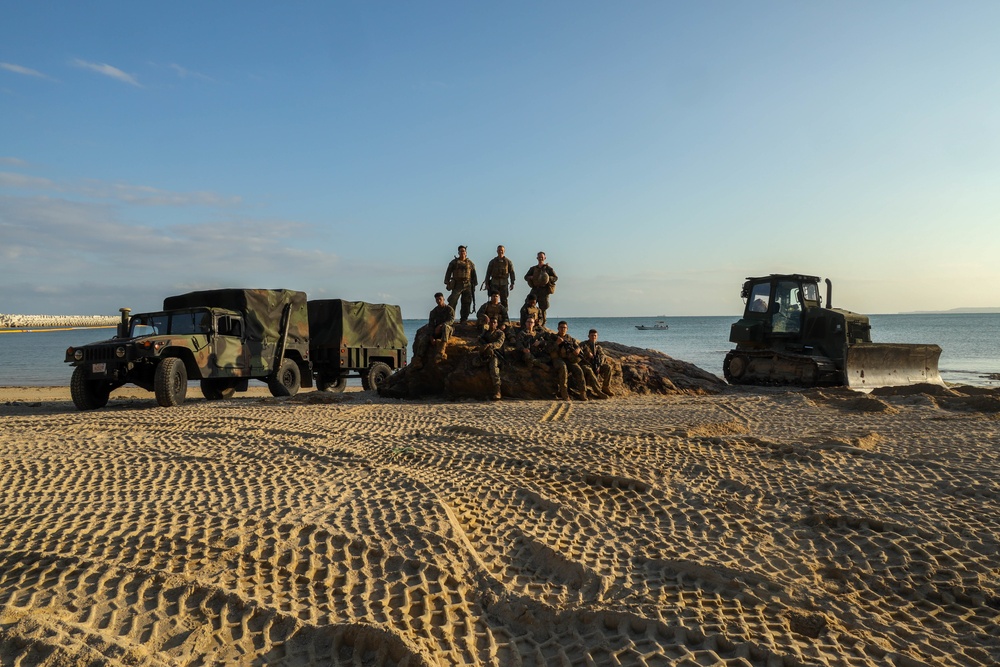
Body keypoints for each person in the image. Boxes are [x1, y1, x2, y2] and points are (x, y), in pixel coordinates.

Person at [546, 320, 587, 400]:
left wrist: (578, 350)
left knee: (578, 370)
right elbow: (548, 349)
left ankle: (582, 392)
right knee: (563, 368)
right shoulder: (553, 337)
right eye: (561, 327)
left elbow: (578, 346)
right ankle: (564, 393)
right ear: (558, 328)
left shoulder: (570, 338)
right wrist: (556, 344)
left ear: (567, 329)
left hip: (569, 359)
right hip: (557, 359)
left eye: (564, 327)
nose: (563, 329)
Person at [411, 292, 455, 368]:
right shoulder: (433, 312)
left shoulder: (449, 309)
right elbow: (431, 325)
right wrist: (431, 337)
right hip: (437, 331)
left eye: (440, 299)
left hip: (447, 330)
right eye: (437, 299)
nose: (438, 301)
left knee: (445, 326)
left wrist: (441, 325)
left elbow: (451, 320)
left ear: (443, 299)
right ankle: (418, 359)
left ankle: (442, 350)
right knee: (424, 339)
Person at [444, 245, 478, 324]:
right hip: (457, 284)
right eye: (461, 251)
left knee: (466, 302)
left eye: (464, 251)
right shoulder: (454, 262)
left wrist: (474, 285)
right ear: (458, 252)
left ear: (466, 253)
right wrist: (447, 281)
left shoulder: (470, 263)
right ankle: (450, 318)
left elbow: (474, 275)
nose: (462, 252)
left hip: (467, 284)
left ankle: (464, 319)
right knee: (453, 301)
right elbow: (448, 273)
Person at [524, 251, 557, 328]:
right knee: (528, 304)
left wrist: (548, 278)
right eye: (539, 257)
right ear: (537, 258)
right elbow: (525, 277)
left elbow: (555, 278)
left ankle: (543, 324)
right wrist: (530, 277)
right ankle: (528, 322)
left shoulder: (548, 269)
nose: (540, 258)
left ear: (544, 258)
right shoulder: (533, 268)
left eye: (542, 257)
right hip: (535, 289)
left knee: (543, 308)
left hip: (544, 290)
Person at [477, 317, 505, 400]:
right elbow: (479, 339)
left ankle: (497, 390)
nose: (492, 324)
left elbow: (499, 343)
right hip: (485, 354)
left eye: (494, 322)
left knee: (493, 368)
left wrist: (489, 345)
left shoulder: (500, 333)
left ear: (497, 324)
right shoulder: (485, 333)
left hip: (496, 355)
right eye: (491, 322)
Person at [579, 328, 613, 397]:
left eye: (595, 336)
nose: (593, 337)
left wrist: (599, 365)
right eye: (592, 335)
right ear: (588, 336)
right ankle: (598, 391)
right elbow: (579, 351)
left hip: (596, 365)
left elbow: (602, 355)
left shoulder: (598, 346)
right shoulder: (584, 344)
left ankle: (605, 387)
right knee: (589, 370)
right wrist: (587, 353)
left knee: (608, 367)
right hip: (586, 365)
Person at [482, 245, 516, 309]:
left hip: (504, 283)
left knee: (504, 300)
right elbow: (488, 273)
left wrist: (512, 283)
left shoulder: (508, 262)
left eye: (502, 250)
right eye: (499, 250)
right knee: (494, 299)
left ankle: (505, 315)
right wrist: (486, 283)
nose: (500, 251)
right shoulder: (492, 262)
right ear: (497, 251)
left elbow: (512, 273)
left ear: (504, 251)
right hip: (494, 283)